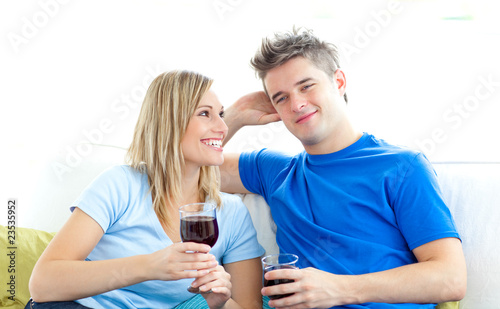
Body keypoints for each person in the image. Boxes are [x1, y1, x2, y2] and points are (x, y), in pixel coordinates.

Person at [220, 28, 467, 308]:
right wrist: (234, 116)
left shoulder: (402, 167)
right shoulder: (273, 171)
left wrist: (339, 289)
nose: (297, 104)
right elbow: (174, 168)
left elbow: (451, 278)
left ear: (338, 82)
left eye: (306, 86)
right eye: (281, 98)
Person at [27, 70, 265, 309]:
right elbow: (43, 283)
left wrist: (220, 303)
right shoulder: (120, 184)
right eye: (205, 113)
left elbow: (249, 307)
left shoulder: (231, 213)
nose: (223, 127)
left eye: (221, 114)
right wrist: (150, 266)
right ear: (169, 122)